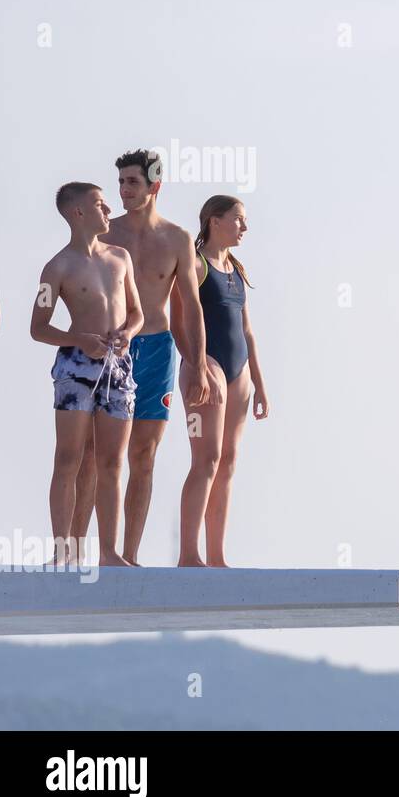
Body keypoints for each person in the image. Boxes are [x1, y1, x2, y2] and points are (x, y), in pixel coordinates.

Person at [73, 149, 214, 566]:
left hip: (156, 349)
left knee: (144, 456)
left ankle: (128, 557)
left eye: (132, 182)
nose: (123, 191)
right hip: (109, 351)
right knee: (92, 455)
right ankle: (78, 552)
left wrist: (201, 364)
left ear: (155, 186)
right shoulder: (105, 233)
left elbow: (190, 304)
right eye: (120, 182)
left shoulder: (177, 239)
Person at [30, 183, 143, 567]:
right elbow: (38, 327)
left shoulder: (121, 258)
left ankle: (109, 552)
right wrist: (77, 339)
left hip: (117, 367)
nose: (109, 209)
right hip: (76, 368)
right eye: (100, 204)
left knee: (112, 462)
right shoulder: (56, 267)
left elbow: (137, 313)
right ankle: (62, 552)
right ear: (78, 212)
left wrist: (127, 333)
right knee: (68, 458)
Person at [178, 196, 269, 567]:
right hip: (206, 369)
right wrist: (198, 366)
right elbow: (177, 322)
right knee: (206, 459)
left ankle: (216, 556)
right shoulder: (194, 263)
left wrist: (260, 384)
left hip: (240, 373)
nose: (244, 227)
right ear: (214, 221)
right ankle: (188, 554)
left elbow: (247, 330)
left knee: (228, 461)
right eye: (238, 220)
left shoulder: (235, 267)